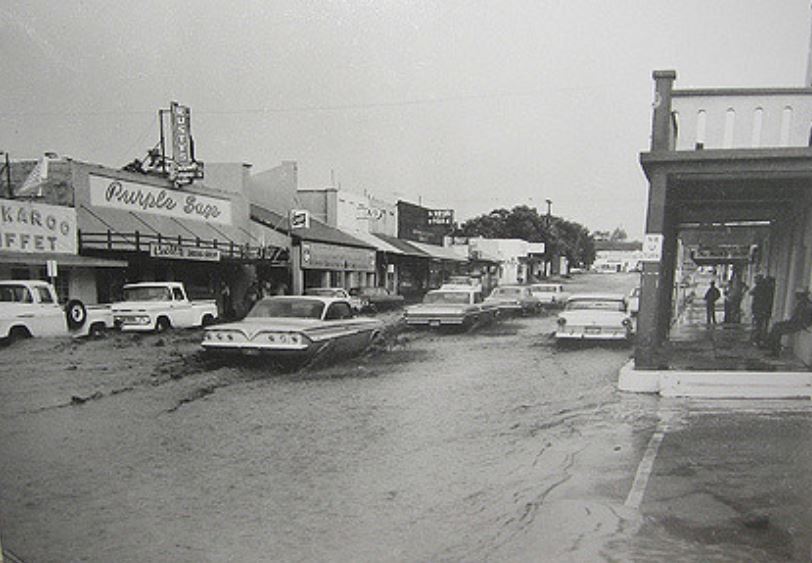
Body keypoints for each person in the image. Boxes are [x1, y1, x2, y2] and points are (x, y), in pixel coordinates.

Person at [765, 288, 812, 357]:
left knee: (777, 329)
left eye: (798, 295)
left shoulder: (807, 305)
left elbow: (804, 318)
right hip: (796, 322)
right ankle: (771, 345)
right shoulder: (803, 303)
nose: (796, 297)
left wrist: (802, 324)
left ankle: (775, 351)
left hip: (799, 324)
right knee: (776, 325)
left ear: (802, 295)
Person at [750, 275, 772, 345]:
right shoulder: (764, 287)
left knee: (759, 325)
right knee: (760, 325)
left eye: (756, 279)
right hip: (760, 309)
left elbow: (752, 293)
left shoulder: (761, 287)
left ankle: (758, 339)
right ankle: (759, 339)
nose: (755, 281)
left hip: (760, 309)